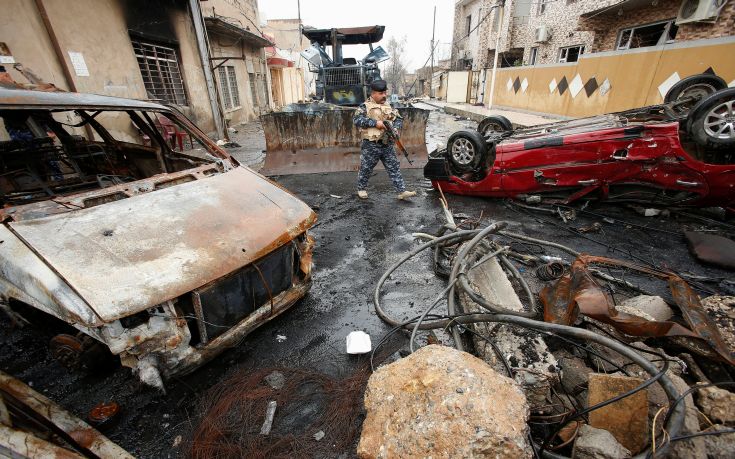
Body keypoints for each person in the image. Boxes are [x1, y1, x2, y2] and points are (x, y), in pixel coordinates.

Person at [352, 79, 416, 200]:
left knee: (394, 167)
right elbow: (357, 120)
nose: (384, 95)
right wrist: (375, 123)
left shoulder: (389, 106)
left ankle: (401, 191)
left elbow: (398, 118)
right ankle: (361, 189)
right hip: (371, 144)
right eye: (381, 93)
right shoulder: (365, 106)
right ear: (373, 93)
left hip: (387, 143)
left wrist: (395, 128)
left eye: (385, 93)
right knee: (366, 168)